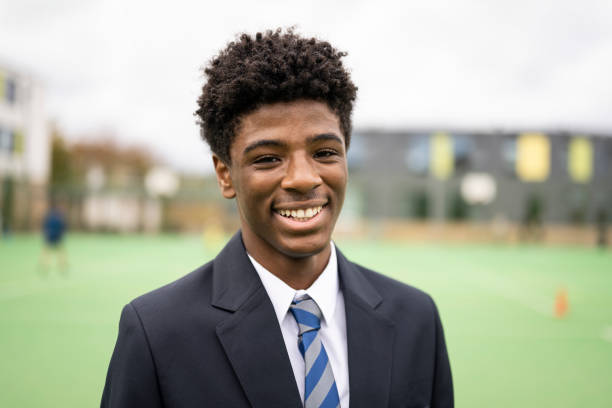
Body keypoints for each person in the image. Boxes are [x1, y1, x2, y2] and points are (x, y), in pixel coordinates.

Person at [101, 29, 453, 408]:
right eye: (268, 158)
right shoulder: (157, 333)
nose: (303, 178)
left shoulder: (417, 319)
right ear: (225, 174)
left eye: (325, 152)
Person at [39, 200, 68, 273]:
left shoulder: (48, 217)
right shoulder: (60, 217)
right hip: (57, 236)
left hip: (50, 235)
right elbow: (63, 227)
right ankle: (62, 264)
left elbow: (45, 226)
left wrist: (45, 233)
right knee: (60, 250)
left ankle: (44, 264)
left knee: (47, 250)